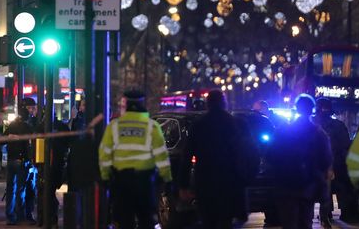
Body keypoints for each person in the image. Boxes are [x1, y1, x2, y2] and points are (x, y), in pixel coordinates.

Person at [179, 90, 255, 229]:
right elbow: (251, 152)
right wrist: (248, 177)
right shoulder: (238, 124)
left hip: (206, 182)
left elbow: (187, 155)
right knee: (226, 220)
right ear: (224, 103)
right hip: (231, 182)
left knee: (209, 221)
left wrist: (184, 185)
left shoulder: (198, 125)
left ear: (208, 104)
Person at [99, 90, 172, 229]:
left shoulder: (114, 126)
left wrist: (105, 177)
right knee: (146, 221)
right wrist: (166, 179)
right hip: (145, 183)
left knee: (124, 221)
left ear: (125, 105)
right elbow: (162, 156)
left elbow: (105, 155)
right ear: (142, 104)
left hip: (121, 182)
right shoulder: (152, 126)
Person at [267, 94, 332, 229]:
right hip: (308, 186)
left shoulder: (284, 131)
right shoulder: (319, 134)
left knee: (289, 222)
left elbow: (271, 155)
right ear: (312, 110)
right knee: (305, 221)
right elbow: (326, 160)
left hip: (286, 184)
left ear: (296, 109)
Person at [314, 98, 356, 225]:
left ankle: (325, 214)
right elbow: (345, 146)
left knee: (323, 190)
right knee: (341, 189)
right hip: (337, 163)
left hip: (318, 164)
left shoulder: (313, 124)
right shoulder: (339, 125)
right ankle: (343, 214)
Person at [4, 101, 35, 225]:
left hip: (11, 160)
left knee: (11, 188)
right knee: (20, 189)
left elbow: (2, 139)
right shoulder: (27, 127)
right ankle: (19, 215)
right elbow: (30, 145)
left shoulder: (11, 125)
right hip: (22, 161)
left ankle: (10, 216)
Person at [22, 98, 39, 224]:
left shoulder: (32, 121)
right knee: (28, 189)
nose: (33, 111)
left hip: (30, 159)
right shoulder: (28, 123)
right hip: (27, 160)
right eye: (31, 108)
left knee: (28, 189)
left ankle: (26, 214)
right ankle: (26, 214)